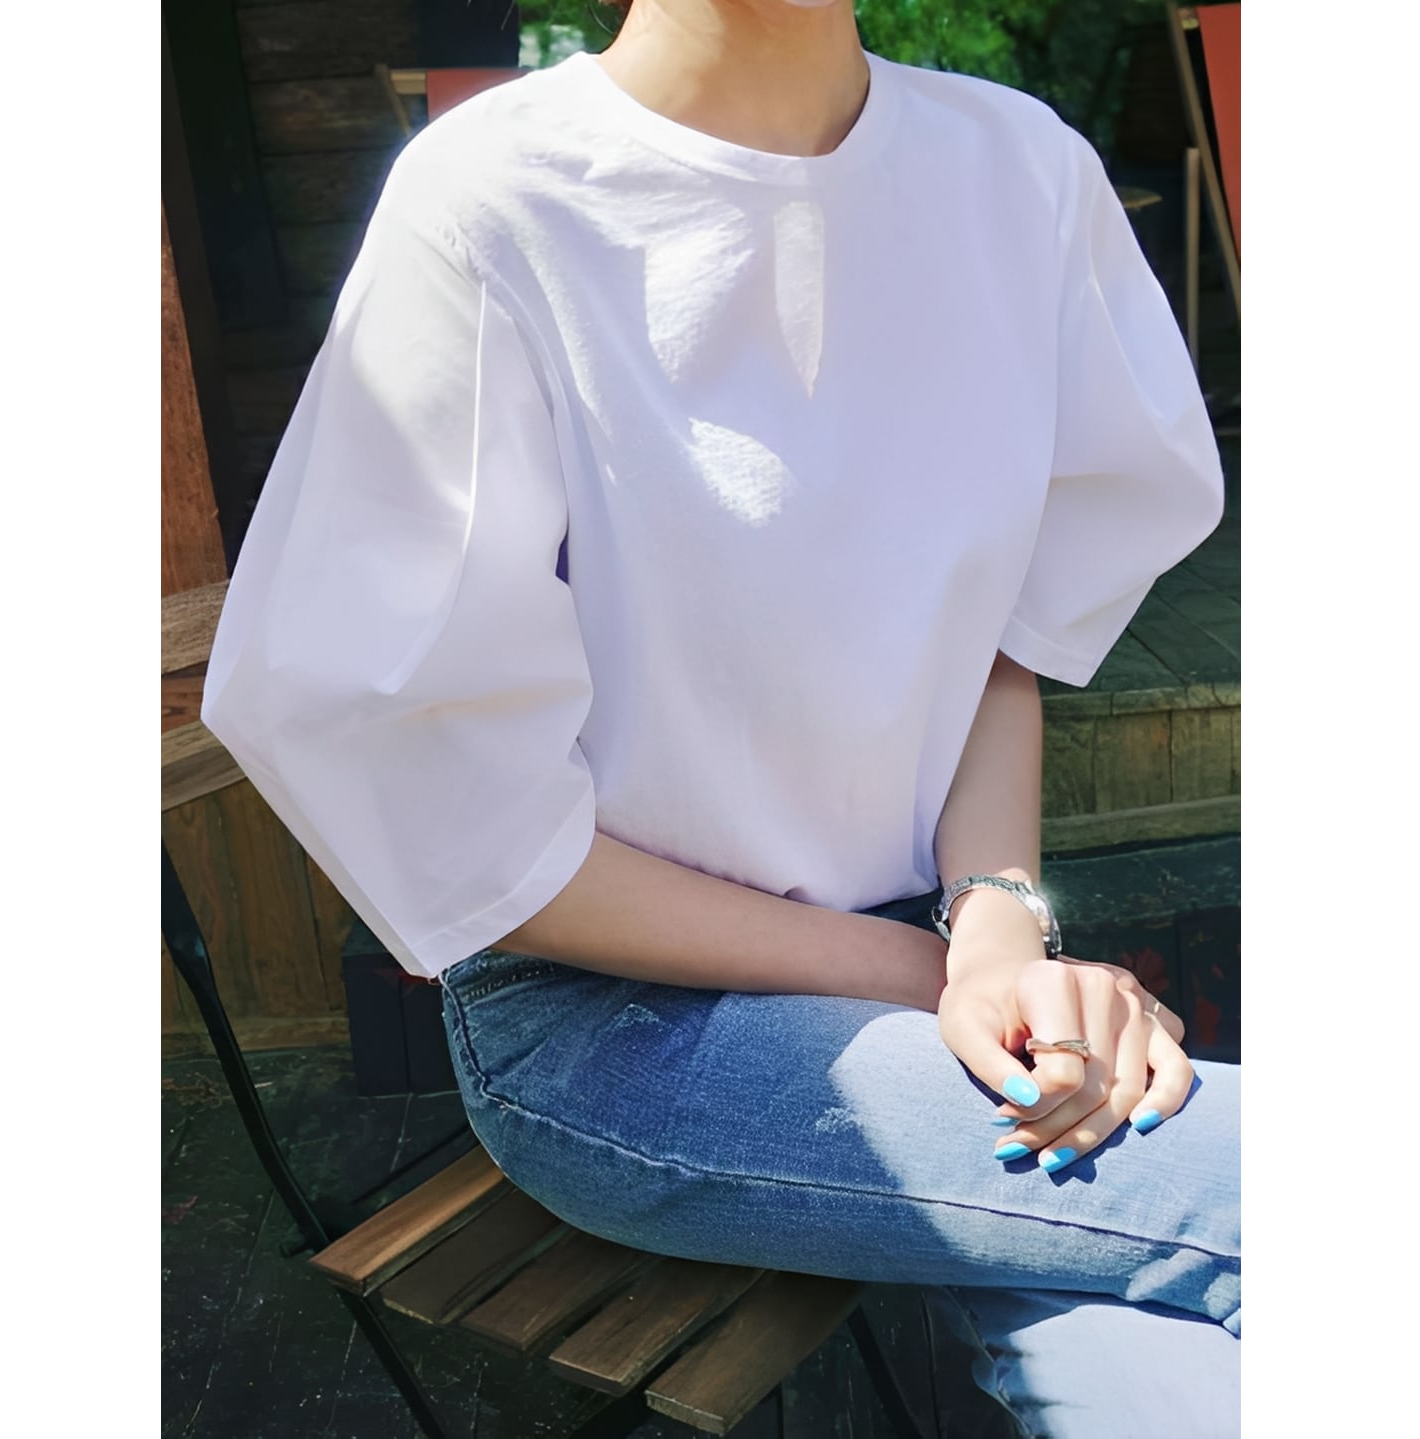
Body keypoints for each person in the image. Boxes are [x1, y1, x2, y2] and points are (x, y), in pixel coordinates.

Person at [201, 1, 1240, 1434]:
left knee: (1174, 1375)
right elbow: (465, 832)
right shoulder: (493, 203)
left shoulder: (1020, 174)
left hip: (928, 942)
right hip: (622, 1027)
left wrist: (1001, 928)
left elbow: (1004, 630)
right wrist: (929, 974)